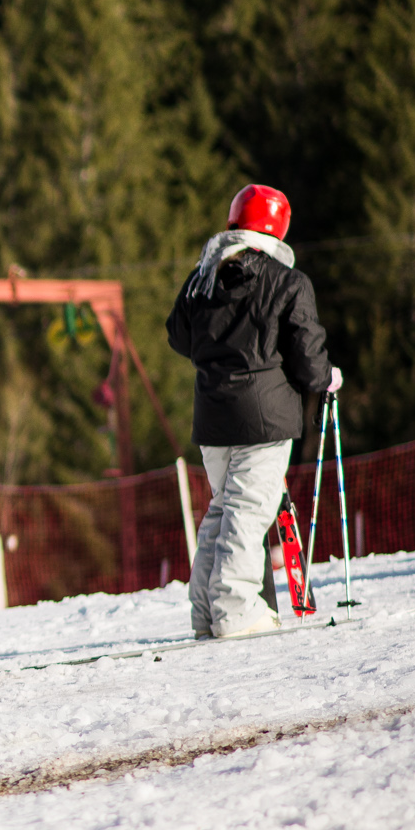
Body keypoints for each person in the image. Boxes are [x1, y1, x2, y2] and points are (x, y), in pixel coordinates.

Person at [167, 184, 341, 640]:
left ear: (233, 222)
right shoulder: (287, 280)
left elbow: (178, 337)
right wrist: (327, 378)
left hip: (212, 419)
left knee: (222, 510)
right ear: (278, 229)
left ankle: (206, 613)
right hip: (263, 420)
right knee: (246, 513)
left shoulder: (202, 277)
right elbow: (306, 356)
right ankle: (237, 610)